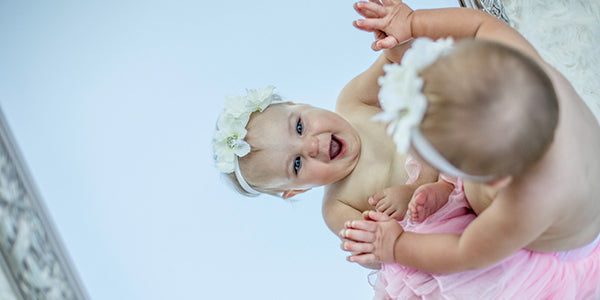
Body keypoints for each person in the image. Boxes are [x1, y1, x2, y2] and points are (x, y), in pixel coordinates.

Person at [340, 0, 600, 278]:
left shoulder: (523, 205)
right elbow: (480, 24)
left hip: (562, 239)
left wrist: (397, 245)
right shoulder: (523, 61)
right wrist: (412, 22)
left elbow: (464, 252)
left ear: (495, 178)